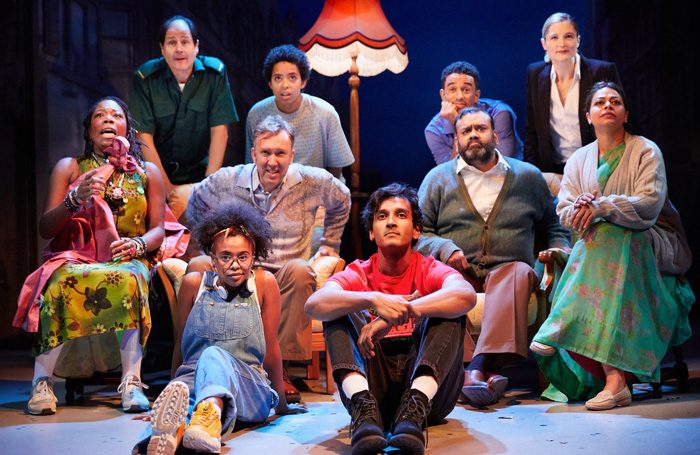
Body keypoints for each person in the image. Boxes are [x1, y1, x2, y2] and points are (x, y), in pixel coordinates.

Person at [530, 82, 694, 411]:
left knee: (608, 233)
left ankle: (559, 326)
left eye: (615, 102)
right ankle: (615, 381)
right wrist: (581, 208)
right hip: (599, 247)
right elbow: (565, 212)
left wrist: (601, 207)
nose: (608, 106)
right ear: (588, 116)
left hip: (653, 239)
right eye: (600, 102)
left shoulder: (645, 150)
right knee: (602, 236)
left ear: (626, 114)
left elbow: (649, 204)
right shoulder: (579, 159)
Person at [13, 97, 166, 415]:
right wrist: (73, 200)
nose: (108, 119)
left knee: (130, 278)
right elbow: (45, 227)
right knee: (59, 280)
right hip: (78, 256)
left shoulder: (146, 172)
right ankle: (42, 383)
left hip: (126, 257)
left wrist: (138, 245)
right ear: (88, 130)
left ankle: (132, 382)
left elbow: (158, 230)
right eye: (100, 115)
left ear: (127, 128)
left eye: (116, 115)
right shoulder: (70, 167)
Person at [187, 114, 351, 403]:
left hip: (282, 274)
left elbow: (343, 199)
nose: (272, 162)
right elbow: (196, 200)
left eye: (280, 153)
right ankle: (199, 364)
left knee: (301, 271)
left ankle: (282, 369)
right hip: (235, 269)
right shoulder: (229, 179)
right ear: (254, 154)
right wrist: (207, 245)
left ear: (292, 155)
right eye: (265, 153)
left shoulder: (311, 180)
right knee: (198, 267)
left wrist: (330, 242)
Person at [416, 106, 570, 407]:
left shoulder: (527, 177)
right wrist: (446, 249)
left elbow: (554, 226)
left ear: (496, 136)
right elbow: (419, 233)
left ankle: (474, 369)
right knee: (443, 283)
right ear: (457, 140)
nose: (474, 135)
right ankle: (485, 374)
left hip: (508, 271)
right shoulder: (437, 179)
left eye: (481, 128)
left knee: (519, 273)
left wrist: (558, 249)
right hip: (457, 272)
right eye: (466, 131)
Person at [305, 183, 475, 455]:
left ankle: (414, 409)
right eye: (382, 216)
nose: (391, 222)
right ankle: (363, 409)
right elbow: (314, 304)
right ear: (372, 232)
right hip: (374, 386)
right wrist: (373, 299)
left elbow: (466, 295)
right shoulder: (360, 271)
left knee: (448, 309)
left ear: (416, 230)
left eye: (401, 215)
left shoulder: (429, 268)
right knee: (336, 308)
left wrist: (403, 312)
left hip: (431, 397)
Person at [145, 202, 302, 454]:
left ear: (253, 257)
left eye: (243, 257)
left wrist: (281, 404)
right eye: (226, 257)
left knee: (213, 355)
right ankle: (169, 434)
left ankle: (207, 416)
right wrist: (172, 392)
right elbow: (180, 345)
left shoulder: (264, 283)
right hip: (195, 381)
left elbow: (272, 347)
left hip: (249, 387)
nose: (235, 265)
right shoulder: (193, 284)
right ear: (213, 260)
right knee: (183, 399)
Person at [129, 15, 238, 220]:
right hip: (154, 175)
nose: (179, 49)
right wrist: (167, 188)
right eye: (172, 42)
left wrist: (207, 187)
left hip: (200, 175)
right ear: (162, 49)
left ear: (196, 46)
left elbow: (220, 131)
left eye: (185, 42)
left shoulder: (215, 74)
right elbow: (143, 136)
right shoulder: (145, 78)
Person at [525, 12, 621, 176]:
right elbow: (531, 131)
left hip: (598, 167)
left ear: (578, 40)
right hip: (552, 171)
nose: (562, 44)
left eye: (568, 36)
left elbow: (619, 123)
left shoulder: (602, 71)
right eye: (554, 37)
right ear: (544, 44)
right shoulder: (534, 74)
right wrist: (533, 174)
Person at [245, 44, 354, 181]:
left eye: (292, 78)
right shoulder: (257, 114)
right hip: (271, 187)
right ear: (270, 83)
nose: (285, 85)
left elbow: (336, 167)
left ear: (303, 82)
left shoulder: (325, 113)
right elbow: (252, 165)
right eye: (278, 78)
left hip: (318, 187)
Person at [425, 61, 523, 165]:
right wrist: (457, 125)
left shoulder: (499, 113)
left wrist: (458, 122)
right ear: (443, 95)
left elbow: (503, 165)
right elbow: (451, 172)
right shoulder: (434, 130)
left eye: (466, 90)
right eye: (452, 89)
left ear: (476, 95)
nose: (459, 96)